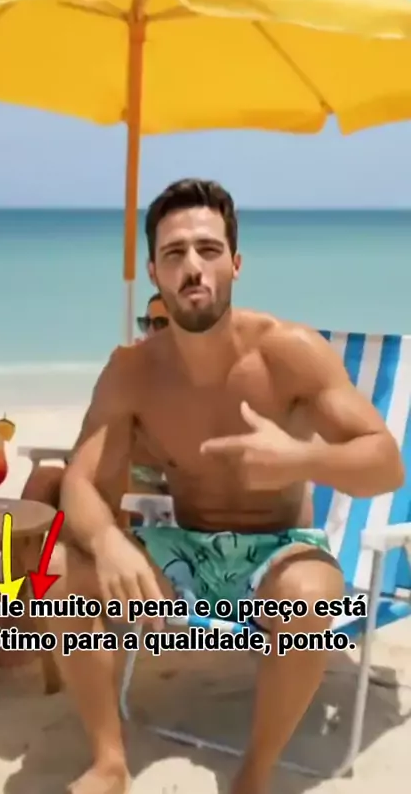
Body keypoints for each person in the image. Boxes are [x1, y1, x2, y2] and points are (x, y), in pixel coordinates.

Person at [48, 178, 404, 794]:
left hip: (280, 551)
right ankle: (109, 763)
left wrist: (299, 459)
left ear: (236, 263)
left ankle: (254, 774)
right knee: (59, 571)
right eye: (174, 253)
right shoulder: (132, 371)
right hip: (181, 548)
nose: (193, 266)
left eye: (208, 249)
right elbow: (79, 477)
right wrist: (104, 541)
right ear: (154, 273)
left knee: (311, 599)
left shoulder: (288, 352)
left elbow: (387, 464)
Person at [21, 292, 169, 508]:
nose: (151, 330)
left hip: (145, 482)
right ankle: (18, 533)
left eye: (161, 323)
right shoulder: (127, 369)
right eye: (146, 323)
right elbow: (96, 426)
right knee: (42, 479)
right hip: (97, 472)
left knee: (96, 493)